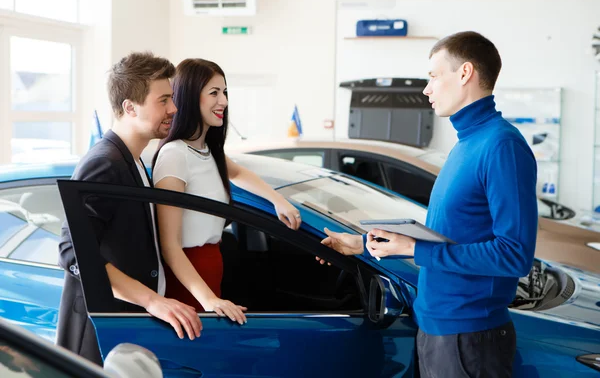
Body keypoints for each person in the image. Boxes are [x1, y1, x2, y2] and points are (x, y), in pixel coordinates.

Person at [321, 31, 537, 378]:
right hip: (438, 328)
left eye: (434, 76)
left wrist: (415, 249)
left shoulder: (501, 146)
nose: (426, 88)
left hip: (469, 337)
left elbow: (515, 255)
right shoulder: (466, 143)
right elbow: (453, 233)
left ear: (465, 73)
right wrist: (364, 244)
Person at [57, 52, 203, 366]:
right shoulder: (103, 164)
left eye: (172, 98)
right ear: (130, 107)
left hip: (125, 328)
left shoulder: (132, 158)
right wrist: (153, 301)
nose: (174, 109)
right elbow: (73, 252)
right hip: (99, 337)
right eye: (163, 100)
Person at [152, 58, 301, 325]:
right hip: (187, 278)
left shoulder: (208, 150)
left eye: (225, 92)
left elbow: (239, 173)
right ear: (189, 96)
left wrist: (278, 201)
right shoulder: (174, 155)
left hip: (212, 268)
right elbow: (169, 245)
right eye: (214, 93)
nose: (223, 101)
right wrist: (209, 300)